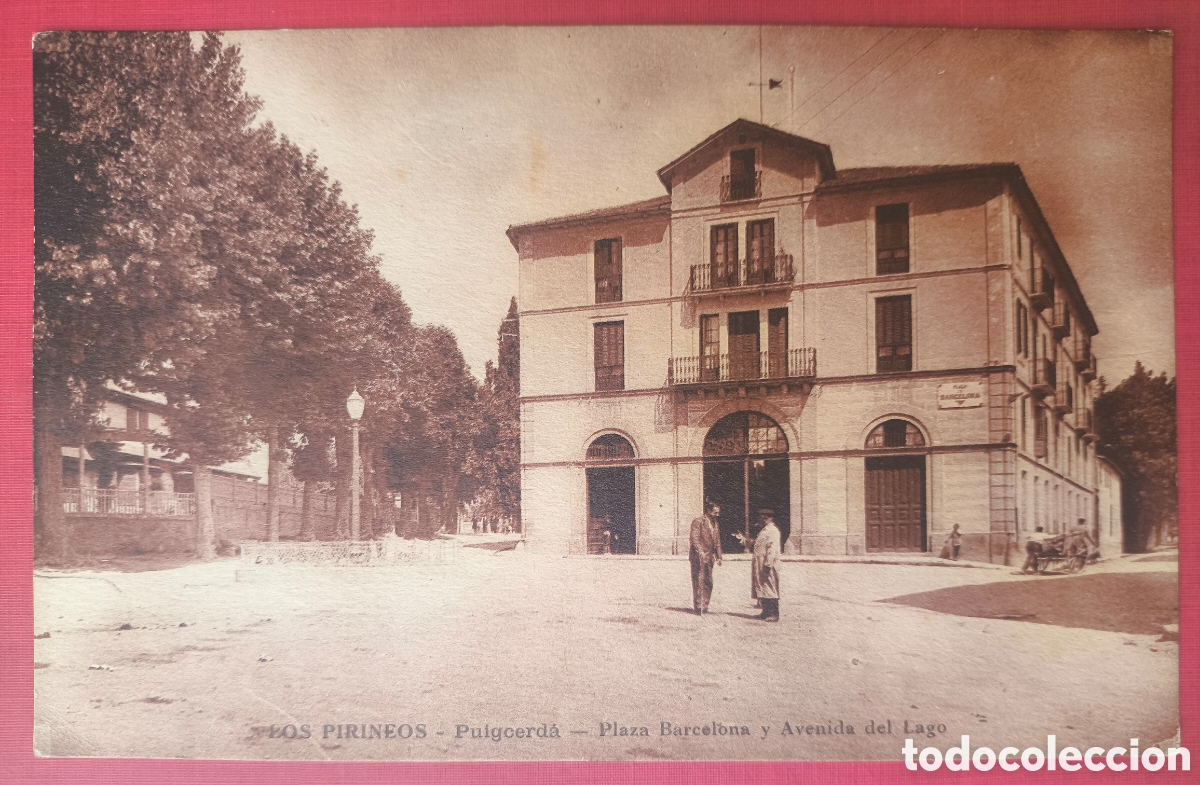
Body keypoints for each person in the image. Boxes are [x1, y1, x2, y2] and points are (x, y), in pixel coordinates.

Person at [689, 501, 722, 615]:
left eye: (718, 513)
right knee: (699, 580)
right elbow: (694, 538)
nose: (717, 515)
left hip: (709, 557)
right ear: (708, 511)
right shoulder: (698, 522)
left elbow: (717, 540)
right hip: (699, 557)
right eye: (715, 512)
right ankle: (699, 606)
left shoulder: (715, 523)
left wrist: (719, 556)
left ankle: (705, 605)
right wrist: (700, 551)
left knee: (708, 581)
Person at [752, 509, 782, 621]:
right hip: (760, 562)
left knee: (770, 587)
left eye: (760, 517)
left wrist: (768, 563)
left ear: (766, 518)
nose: (759, 520)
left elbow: (772, 548)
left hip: (767, 563)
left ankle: (774, 614)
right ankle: (765, 612)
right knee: (762, 586)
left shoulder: (772, 530)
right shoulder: (765, 530)